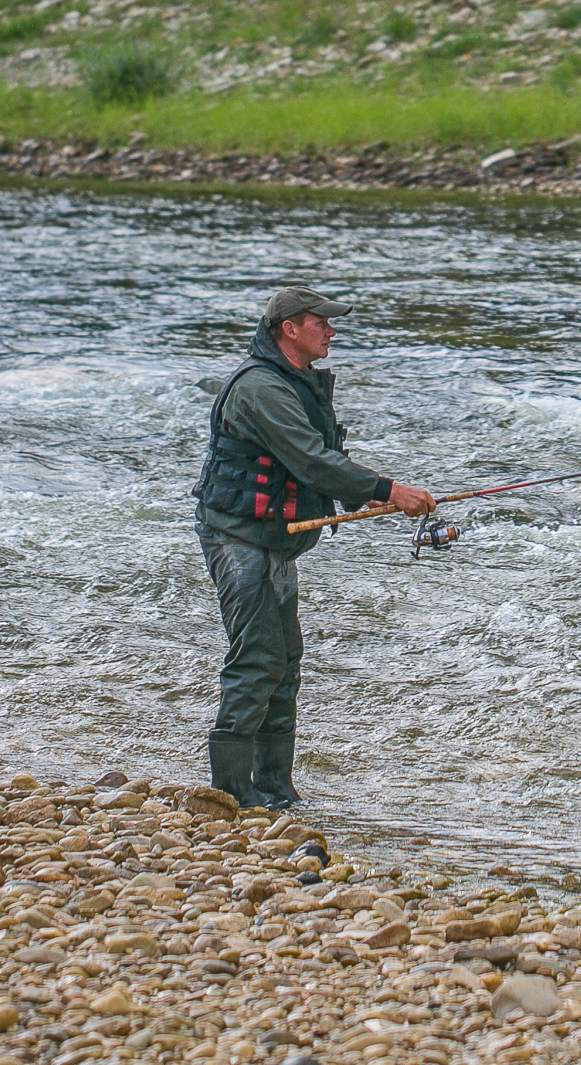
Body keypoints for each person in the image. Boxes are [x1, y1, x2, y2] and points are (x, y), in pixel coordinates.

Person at [191, 286, 434, 809]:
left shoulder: (294, 381)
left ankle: (276, 788)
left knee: (285, 663)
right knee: (257, 659)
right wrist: (387, 491)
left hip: (274, 541)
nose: (330, 329)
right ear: (289, 329)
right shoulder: (260, 387)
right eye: (320, 321)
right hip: (238, 538)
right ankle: (230, 792)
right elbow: (309, 459)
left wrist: (359, 497)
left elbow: (311, 463)